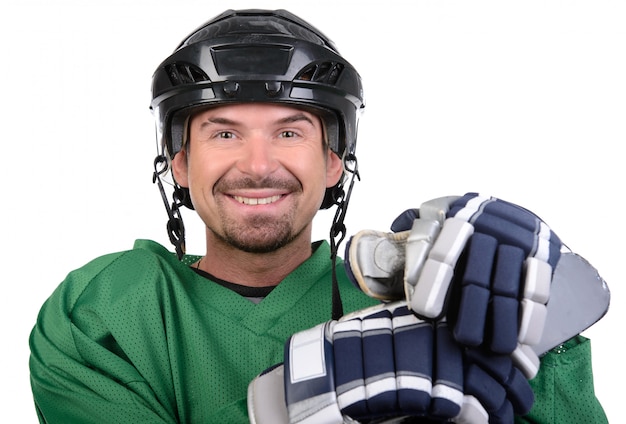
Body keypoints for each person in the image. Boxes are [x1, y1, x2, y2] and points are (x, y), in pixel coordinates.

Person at [29, 9, 607, 424]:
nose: (257, 165)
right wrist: (302, 400)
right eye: (224, 132)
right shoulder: (101, 316)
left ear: (334, 163)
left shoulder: (428, 297)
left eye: (289, 131)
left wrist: (528, 314)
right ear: (179, 163)